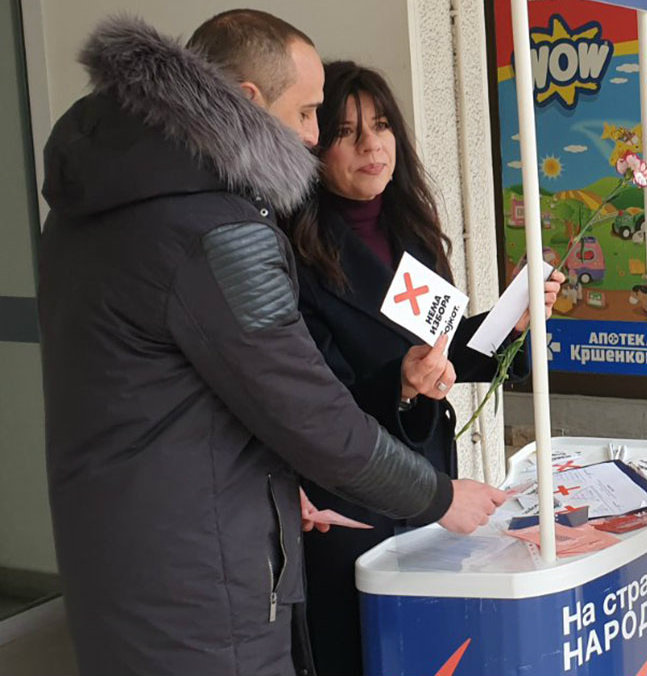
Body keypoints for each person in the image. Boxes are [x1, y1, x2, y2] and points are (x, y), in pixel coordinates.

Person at [38, 13, 503, 675]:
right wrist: (441, 496)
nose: (314, 138)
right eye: (316, 116)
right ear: (252, 102)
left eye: (376, 126)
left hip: (137, 560)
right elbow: (313, 413)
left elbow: (188, 397)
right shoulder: (223, 231)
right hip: (205, 587)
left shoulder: (103, 200)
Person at [283, 60, 562, 675]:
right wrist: (402, 386)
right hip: (348, 497)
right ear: (314, 145)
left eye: (380, 125)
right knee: (365, 649)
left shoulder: (411, 229)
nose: (370, 144)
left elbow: (439, 353)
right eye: (345, 130)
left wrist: (508, 324)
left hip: (431, 472)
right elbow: (313, 397)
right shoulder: (294, 251)